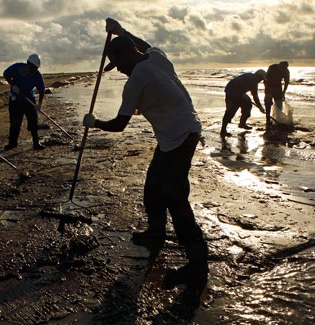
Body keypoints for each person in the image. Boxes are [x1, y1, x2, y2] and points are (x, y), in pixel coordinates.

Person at [83, 18, 208, 304]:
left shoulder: (137, 79)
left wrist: (94, 122)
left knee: (175, 198)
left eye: (120, 65)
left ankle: (197, 267)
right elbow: (145, 45)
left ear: (127, 57)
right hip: (178, 135)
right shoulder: (157, 57)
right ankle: (155, 234)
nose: (122, 71)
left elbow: (118, 125)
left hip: (181, 138)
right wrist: (122, 32)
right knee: (153, 187)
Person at [3, 54, 46, 150]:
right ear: (28, 64)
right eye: (34, 67)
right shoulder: (17, 67)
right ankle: (12, 143)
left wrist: (39, 103)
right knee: (15, 123)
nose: (35, 70)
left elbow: (42, 90)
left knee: (33, 121)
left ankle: (36, 143)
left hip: (29, 100)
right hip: (15, 100)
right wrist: (13, 84)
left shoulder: (37, 75)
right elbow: (6, 74)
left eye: (36, 68)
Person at [221, 69, 267, 137]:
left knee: (248, 104)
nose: (261, 80)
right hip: (230, 91)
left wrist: (260, 106)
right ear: (257, 75)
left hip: (240, 93)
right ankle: (223, 130)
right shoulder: (248, 78)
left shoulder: (254, 81)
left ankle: (242, 123)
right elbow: (237, 84)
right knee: (230, 111)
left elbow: (255, 96)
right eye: (261, 78)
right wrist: (240, 96)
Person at [264, 61, 290, 128]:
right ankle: (268, 119)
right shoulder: (272, 67)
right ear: (279, 65)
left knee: (279, 103)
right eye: (282, 67)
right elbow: (266, 78)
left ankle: (278, 119)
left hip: (278, 87)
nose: (282, 69)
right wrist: (268, 90)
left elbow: (286, 82)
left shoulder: (286, 71)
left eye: (284, 68)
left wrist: (283, 92)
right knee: (268, 103)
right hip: (269, 86)